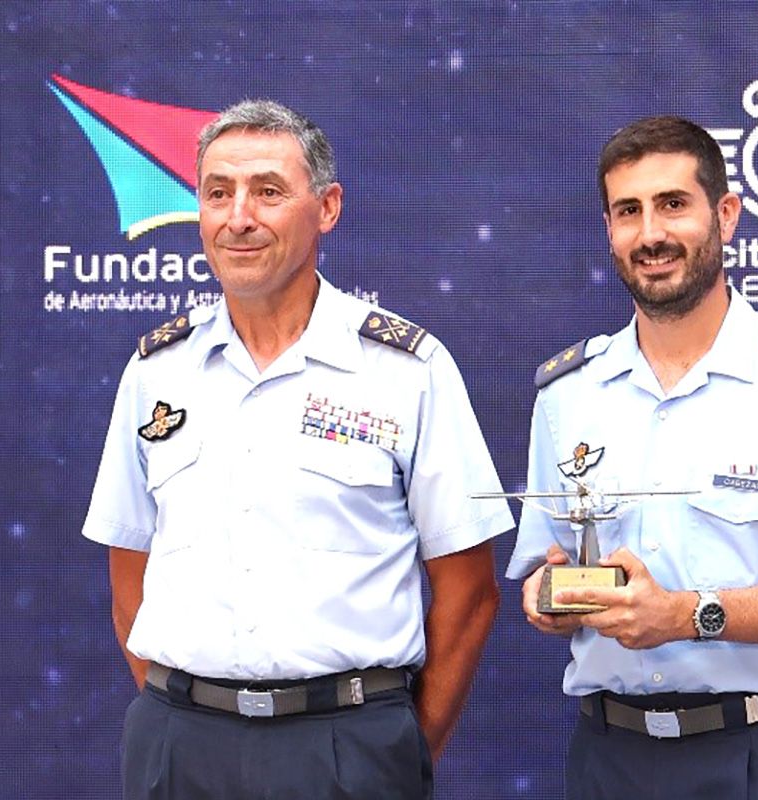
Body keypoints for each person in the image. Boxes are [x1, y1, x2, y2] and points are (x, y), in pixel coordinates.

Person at [83, 99, 514, 800]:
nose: (238, 217)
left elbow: (469, 591)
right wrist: (193, 712)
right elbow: (130, 573)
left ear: (328, 207)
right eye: (217, 193)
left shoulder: (407, 369)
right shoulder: (155, 371)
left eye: (268, 191)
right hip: (180, 747)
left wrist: (395, 752)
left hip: (348, 748)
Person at [505, 115, 758, 800]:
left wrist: (686, 614)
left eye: (673, 204)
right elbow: (549, 572)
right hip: (610, 759)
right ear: (608, 228)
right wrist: (551, 601)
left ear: (725, 215)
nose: (651, 234)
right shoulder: (566, 394)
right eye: (627, 211)